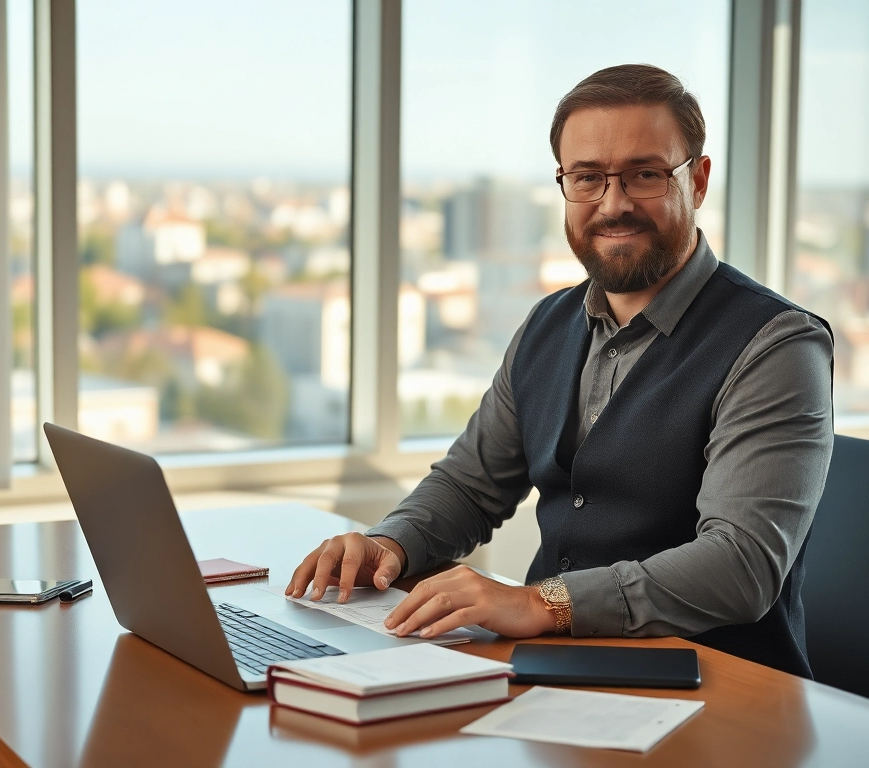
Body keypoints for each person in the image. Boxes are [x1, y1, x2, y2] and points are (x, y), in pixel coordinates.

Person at [286, 64, 833, 677]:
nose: (614, 204)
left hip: (717, 688)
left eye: (646, 175)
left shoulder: (777, 345)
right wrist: (388, 547)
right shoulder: (550, 322)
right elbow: (469, 486)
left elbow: (739, 567)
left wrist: (539, 602)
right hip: (550, 673)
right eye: (588, 178)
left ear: (698, 181)